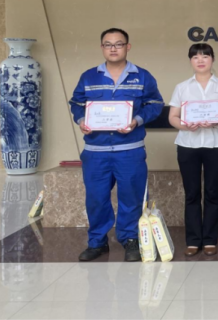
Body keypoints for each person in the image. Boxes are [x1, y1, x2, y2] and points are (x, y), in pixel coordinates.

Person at [69, 28, 164, 262]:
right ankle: (97, 242)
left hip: (129, 150)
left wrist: (136, 120)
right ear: (102, 48)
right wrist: (81, 121)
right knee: (96, 198)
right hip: (96, 152)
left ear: (127, 47)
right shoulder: (89, 77)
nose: (113, 48)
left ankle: (130, 240)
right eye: (108, 44)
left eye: (119, 44)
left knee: (131, 197)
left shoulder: (143, 76)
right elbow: (77, 104)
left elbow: (155, 104)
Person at [169, 43, 218, 257]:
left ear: (212, 59)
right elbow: (173, 116)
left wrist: (217, 121)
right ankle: (192, 240)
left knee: (212, 192)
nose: (200, 60)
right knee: (191, 193)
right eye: (195, 56)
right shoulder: (182, 87)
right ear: (190, 60)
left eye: (205, 56)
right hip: (188, 145)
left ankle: (209, 240)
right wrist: (185, 125)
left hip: (216, 144)